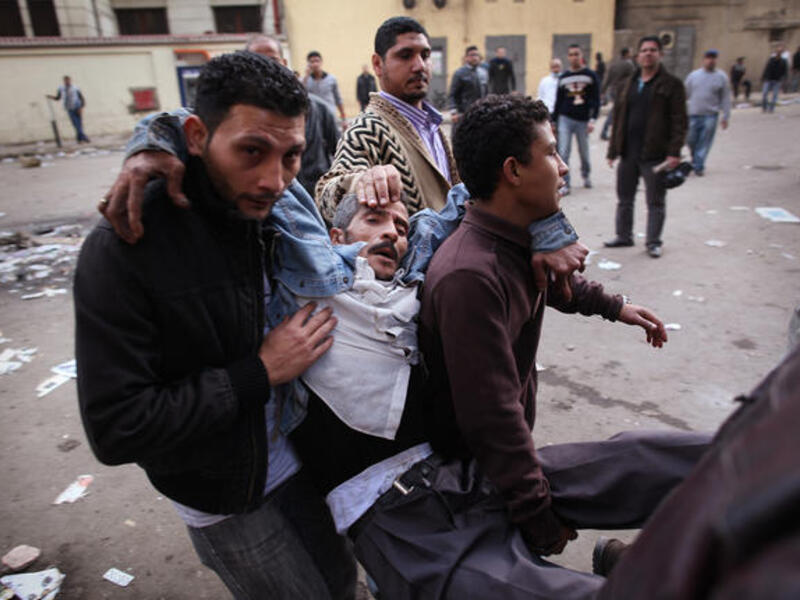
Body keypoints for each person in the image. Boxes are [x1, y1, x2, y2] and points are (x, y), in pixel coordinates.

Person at [336, 94, 708, 599]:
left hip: (496, 460)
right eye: (552, 153)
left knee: (653, 458)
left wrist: (613, 305)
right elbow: (492, 423)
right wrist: (536, 516)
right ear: (513, 171)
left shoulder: (519, 237)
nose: (562, 166)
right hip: (472, 472)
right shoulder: (470, 276)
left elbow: (552, 279)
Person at [74, 51, 356, 600]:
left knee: (343, 582)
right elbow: (116, 427)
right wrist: (260, 371)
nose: (274, 180)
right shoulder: (126, 245)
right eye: (251, 151)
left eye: (291, 156)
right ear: (198, 136)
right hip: (225, 495)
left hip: (302, 458)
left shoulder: (273, 211)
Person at [604, 36, 687, 259]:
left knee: (655, 201)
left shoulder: (671, 85)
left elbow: (680, 121)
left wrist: (674, 152)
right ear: (638, 55)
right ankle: (623, 236)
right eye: (644, 50)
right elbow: (618, 119)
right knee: (624, 198)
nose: (648, 54)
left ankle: (653, 242)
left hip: (656, 155)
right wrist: (613, 151)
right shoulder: (628, 84)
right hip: (628, 152)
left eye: (652, 50)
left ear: (660, 54)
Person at [553, 44, 600, 192]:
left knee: (584, 152)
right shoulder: (564, 77)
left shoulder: (590, 76)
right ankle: (565, 184)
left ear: (581, 56)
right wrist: (553, 121)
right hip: (565, 118)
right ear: (568, 57)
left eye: (576, 54)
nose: (574, 57)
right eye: (571, 54)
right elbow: (558, 100)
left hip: (582, 120)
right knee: (564, 151)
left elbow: (596, 99)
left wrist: (592, 119)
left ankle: (586, 175)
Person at [684, 49, 731, 176]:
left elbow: (725, 98)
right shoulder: (693, 76)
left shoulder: (721, 77)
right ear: (703, 60)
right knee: (691, 140)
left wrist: (726, 116)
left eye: (713, 58)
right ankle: (696, 158)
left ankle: (699, 166)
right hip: (693, 114)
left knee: (705, 141)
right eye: (709, 58)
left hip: (710, 115)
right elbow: (685, 94)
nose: (711, 60)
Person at [600, 48, 635, 140]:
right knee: (617, 112)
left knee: (617, 111)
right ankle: (606, 131)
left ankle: (610, 131)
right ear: (626, 54)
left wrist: (603, 91)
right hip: (623, 91)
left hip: (612, 90)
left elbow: (607, 79)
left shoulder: (613, 64)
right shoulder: (629, 64)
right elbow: (634, 78)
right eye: (630, 53)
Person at [448, 45, 487, 123]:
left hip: (481, 112)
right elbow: (452, 94)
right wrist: (453, 112)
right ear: (466, 58)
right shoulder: (460, 73)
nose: (475, 58)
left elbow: (487, 92)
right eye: (472, 55)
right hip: (464, 113)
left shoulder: (483, 73)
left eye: (477, 55)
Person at [304, 50, 346, 121]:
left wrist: (343, 117)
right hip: (314, 117)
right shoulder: (305, 80)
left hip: (330, 115)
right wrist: (306, 76)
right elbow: (301, 94)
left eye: (317, 61)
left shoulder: (331, 79)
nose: (315, 64)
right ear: (308, 64)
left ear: (321, 62)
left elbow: (338, 98)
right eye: (312, 62)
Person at [48, 75, 90, 143]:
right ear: (64, 81)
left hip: (77, 106)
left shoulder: (75, 88)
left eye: (68, 80)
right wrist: (51, 97)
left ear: (70, 80)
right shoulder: (61, 88)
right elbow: (58, 97)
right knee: (75, 123)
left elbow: (81, 98)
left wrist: (81, 107)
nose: (67, 82)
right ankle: (82, 137)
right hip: (69, 108)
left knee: (79, 123)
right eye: (65, 80)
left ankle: (81, 138)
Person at [761, 43, 787, 113]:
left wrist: (783, 80)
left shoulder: (783, 61)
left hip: (777, 80)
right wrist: (763, 77)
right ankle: (764, 107)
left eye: (780, 52)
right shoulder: (771, 60)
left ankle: (771, 108)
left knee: (774, 95)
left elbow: (784, 71)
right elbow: (767, 68)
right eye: (778, 51)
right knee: (765, 93)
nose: (779, 53)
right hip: (768, 79)